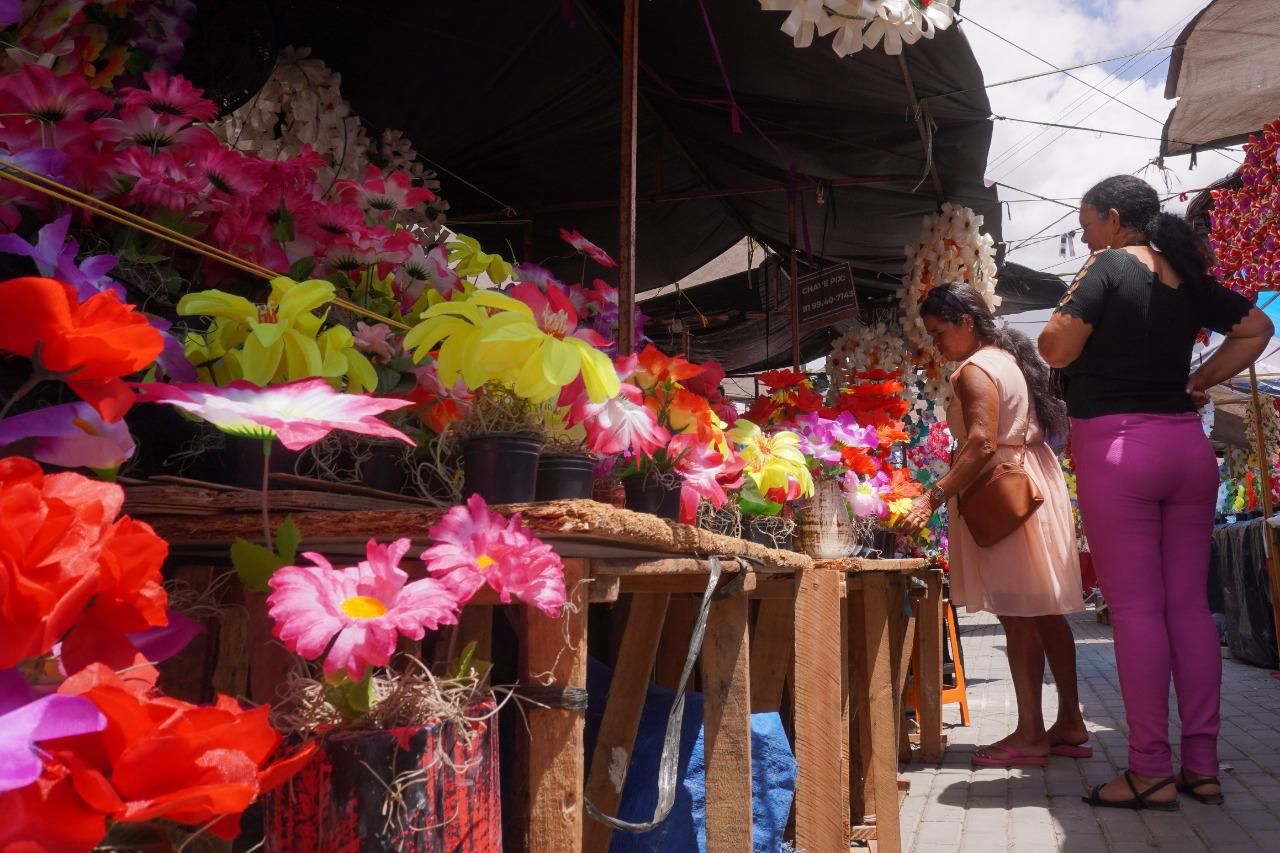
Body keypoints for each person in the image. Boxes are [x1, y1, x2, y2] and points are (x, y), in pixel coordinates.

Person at [1039, 174, 1273, 811]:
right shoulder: (1182, 275)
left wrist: (1082, 283)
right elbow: (1255, 327)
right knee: (1189, 612)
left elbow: (1054, 348)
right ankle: (1201, 764)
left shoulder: (1108, 265)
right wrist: (1198, 380)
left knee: (1139, 613)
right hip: (1185, 450)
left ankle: (1148, 769)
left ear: (1114, 220)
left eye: (1087, 225)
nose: (1084, 237)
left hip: (1118, 449)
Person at [899, 282, 1087, 769]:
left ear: (965, 322)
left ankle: (1029, 735)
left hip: (1003, 496)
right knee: (1043, 612)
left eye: (940, 333)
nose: (937, 344)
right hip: (1028, 486)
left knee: (1018, 614)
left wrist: (932, 496)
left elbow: (981, 443)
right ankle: (1069, 723)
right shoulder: (1005, 359)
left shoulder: (975, 370)